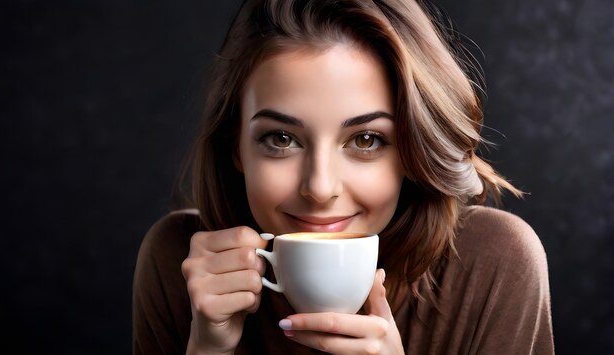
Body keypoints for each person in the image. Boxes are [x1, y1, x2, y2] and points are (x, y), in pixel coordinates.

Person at [132, 0, 554, 354]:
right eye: (281, 139)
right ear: (235, 147)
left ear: (411, 150)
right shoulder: (178, 262)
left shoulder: (495, 265)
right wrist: (207, 348)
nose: (319, 188)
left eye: (366, 140)